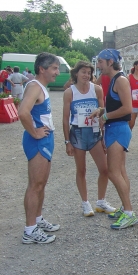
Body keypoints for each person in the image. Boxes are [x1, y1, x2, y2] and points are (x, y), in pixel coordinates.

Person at [90, 49, 138, 230]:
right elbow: (118, 106)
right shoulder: (114, 80)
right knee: (120, 171)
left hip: (118, 129)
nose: (98, 65)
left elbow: (128, 109)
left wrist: (105, 117)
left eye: (101, 62)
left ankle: (129, 213)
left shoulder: (121, 80)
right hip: (114, 128)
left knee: (113, 172)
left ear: (110, 61)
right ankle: (125, 208)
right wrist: (102, 112)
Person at [62, 61, 115, 217]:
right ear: (76, 73)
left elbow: (103, 114)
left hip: (94, 134)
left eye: (89, 72)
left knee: (104, 169)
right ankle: (85, 203)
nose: (86, 75)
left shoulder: (97, 89)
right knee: (82, 170)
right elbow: (65, 118)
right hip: (77, 134)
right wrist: (67, 141)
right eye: (83, 72)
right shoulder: (70, 92)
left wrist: (104, 136)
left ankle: (101, 201)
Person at [19, 52, 61, 244]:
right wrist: (35, 132)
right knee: (35, 185)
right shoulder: (35, 86)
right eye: (54, 68)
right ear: (42, 69)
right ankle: (29, 230)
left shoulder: (40, 87)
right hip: (38, 141)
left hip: (44, 139)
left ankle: (36, 219)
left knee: (41, 184)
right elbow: (22, 112)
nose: (57, 72)